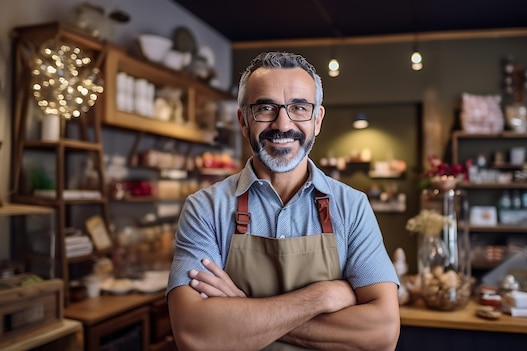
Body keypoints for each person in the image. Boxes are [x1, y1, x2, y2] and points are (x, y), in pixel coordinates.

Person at [166, 51, 400, 351]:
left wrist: (242, 310)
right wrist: (322, 297)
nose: (282, 124)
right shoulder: (205, 208)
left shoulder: (352, 207)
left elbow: (382, 333)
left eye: (299, 108)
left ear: (317, 120)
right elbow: (195, 335)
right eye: (265, 108)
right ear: (243, 120)